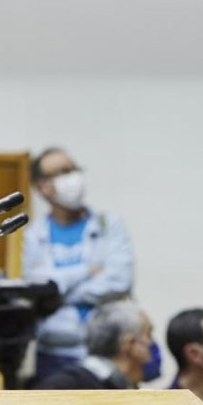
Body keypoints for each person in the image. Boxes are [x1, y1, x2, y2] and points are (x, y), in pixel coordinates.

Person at [22, 147, 135, 383]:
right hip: (53, 355)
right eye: (63, 172)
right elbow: (38, 289)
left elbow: (119, 281)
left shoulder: (109, 225)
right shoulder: (33, 235)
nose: (73, 176)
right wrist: (87, 271)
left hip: (108, 353)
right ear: (43, 187)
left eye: (73, 169)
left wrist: (59, 292)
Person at [31, 300, 153, 389]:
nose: (151, 343)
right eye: (148, 334)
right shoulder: (66, 385)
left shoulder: (122, 385)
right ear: (130, 344)